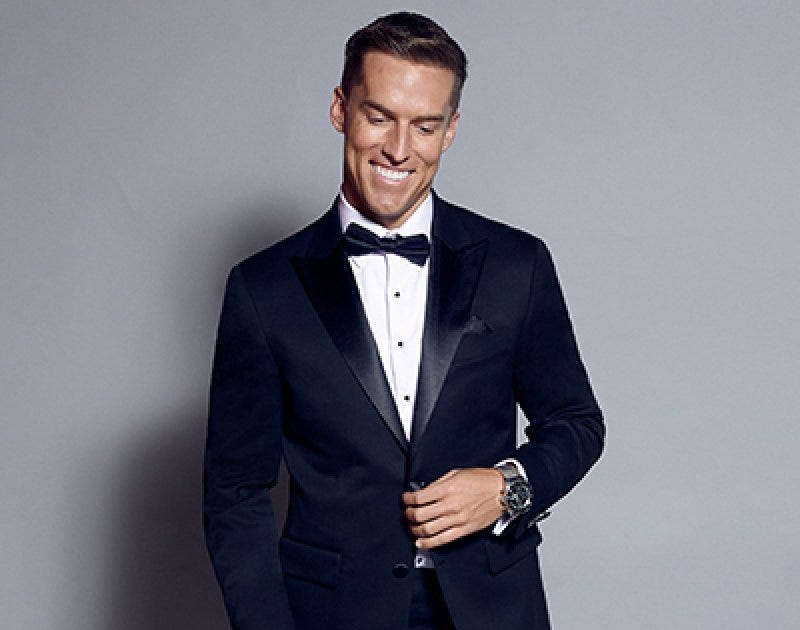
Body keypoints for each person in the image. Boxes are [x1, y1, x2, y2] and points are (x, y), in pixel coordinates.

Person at [203, 12, 604, 630]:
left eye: (424, 126)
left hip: (493, 608)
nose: (398, 149)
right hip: (333, 615)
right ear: (341, 109)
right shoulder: (263, 289)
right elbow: (236, 492)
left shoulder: (516, 265)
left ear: (450, 132)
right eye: (378, 117)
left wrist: (508, 487)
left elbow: (576, 423)